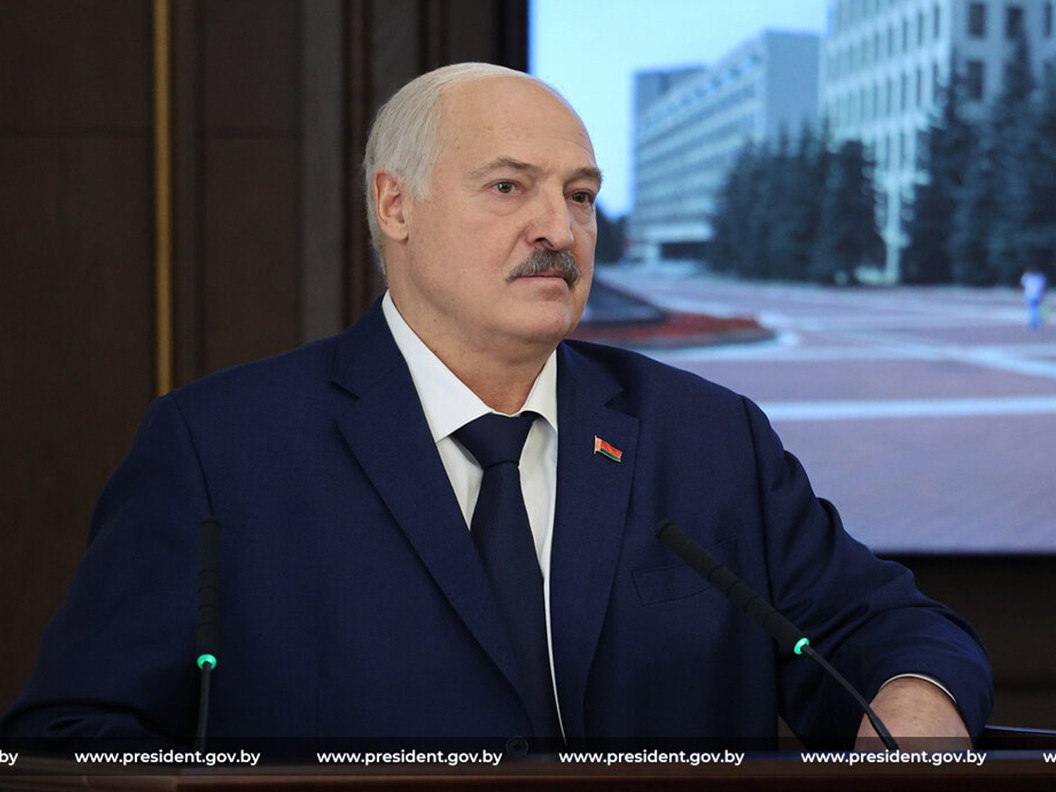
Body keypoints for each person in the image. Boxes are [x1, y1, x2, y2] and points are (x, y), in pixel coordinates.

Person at [1, 63, 990, 755]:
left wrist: (914, 696)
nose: (558, 228)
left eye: (581, 195)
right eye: (510, 187)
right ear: (396, 205)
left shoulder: (706, 439)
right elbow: (73, 735)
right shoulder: (222, 449)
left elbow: (887, 631)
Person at [1020, 265, 1048, 331]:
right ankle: (1034, 323)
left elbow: (1041, 288)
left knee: (1033, 310)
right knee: (1033, 310)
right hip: (1032, 295)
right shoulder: (1036, 277)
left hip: (1033, 295)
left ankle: (1034, 324)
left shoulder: (1035, 278)